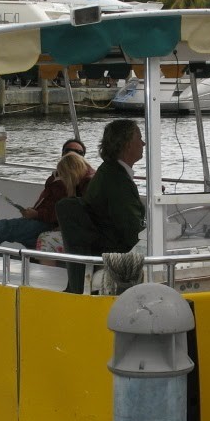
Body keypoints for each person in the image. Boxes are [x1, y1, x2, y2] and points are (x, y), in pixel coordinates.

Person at [58, 119, 146, 293]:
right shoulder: (117, 181)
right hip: (116, 252)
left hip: (105, 247)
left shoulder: (108, 172)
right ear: (127, 144)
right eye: (139, 138)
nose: (143, 143)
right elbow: (130, 231)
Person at [0, 140, 94, 248]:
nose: (72, 154)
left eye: (78, 152)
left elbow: (69, 213)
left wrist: (37, 214)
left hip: (51, 224)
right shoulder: (55, 177)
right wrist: (33, 212)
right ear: (62, 153)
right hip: (41, 219)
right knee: (12, 227)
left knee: (8, 227)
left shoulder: (84, 181)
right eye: (69, 151)